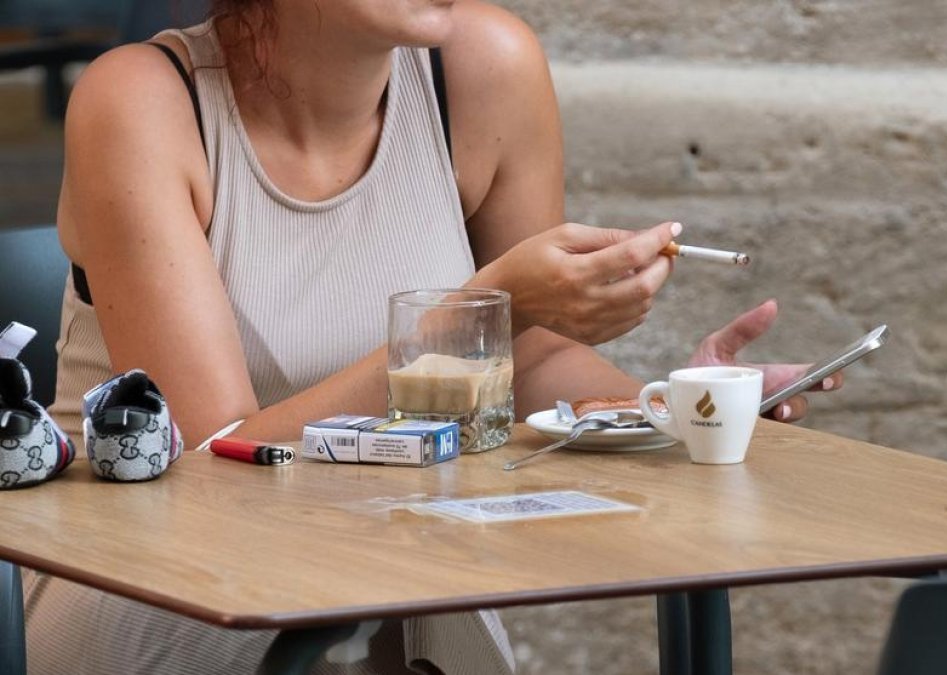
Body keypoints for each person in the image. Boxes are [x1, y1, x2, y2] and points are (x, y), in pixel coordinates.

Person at [25, 1, 842, 672]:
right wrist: (484, 307)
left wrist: (671, 402)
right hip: (153, 571)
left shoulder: (485, 68)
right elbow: (212, 461)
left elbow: (530, 360)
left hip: (398, 551)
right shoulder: (140, 101)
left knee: (410, 598)